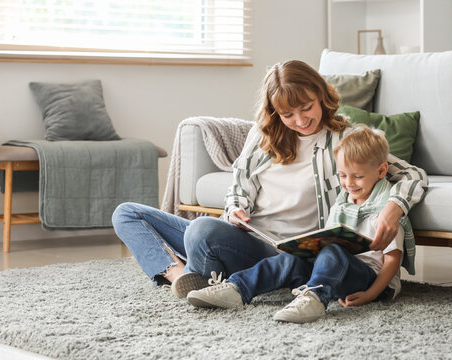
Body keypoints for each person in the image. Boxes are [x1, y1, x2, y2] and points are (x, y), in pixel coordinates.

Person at [111, 60, 427, 298]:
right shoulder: (261, 138)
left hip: (285, 253)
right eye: (288, 115)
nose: (300, 121)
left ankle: (205, 273)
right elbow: (238, 188)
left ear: (321, 95)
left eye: (307, 108)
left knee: (200, 230)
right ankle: (180, 275)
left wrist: (393, 208)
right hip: (246, 236)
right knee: (127, 213)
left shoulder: (347, 139)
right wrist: (235, 208)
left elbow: (412, 174)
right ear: (275, 112)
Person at [185, 124, 414, 323]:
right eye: (343, 176)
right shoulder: (343, 201)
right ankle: (238, 288)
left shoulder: (387, 210)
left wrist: (372, 294)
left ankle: (314, 299)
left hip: (366, 277)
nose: (349, 183)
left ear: (382, 170)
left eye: (358, 176)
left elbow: (392, 259)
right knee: (290, 257)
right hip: (331, 271)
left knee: (333, 250)